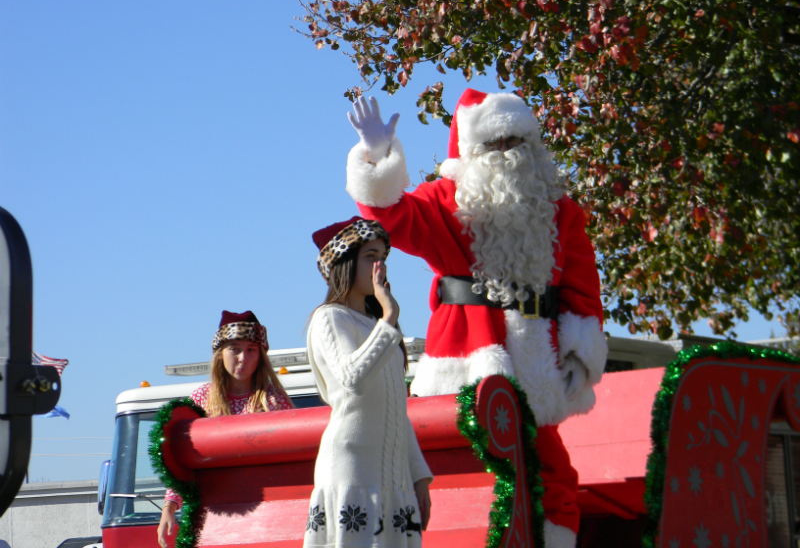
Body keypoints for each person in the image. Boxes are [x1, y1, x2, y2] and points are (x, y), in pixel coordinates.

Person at [343, 91, 608, 548]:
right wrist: (377, 156)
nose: (507, 154)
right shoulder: (447, 200)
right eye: (495, 144)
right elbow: (391, 215)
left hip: (537, 362)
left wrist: (580, 357)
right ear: (470, 151)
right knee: (466, 472)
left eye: (516, 141)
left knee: (554, 477)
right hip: (470, 358)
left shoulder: (560, 210)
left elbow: (583, 290)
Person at [304, 217, 432, 548]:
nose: (380, 266)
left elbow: (396, 407)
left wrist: (419, 477)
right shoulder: (328, 317)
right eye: (370, 256)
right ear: (343, 264)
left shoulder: (378, 325)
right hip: (352, 470)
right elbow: (351, 381)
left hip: (393, 476)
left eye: (384, 258)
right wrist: (389, 320)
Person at [157, 310, 293, 548]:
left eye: (251, 349)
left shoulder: (273, 400)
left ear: (261, 355)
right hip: (213, 518)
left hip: (266, 518)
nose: (242, 358)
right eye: (234, 349)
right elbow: (182, 460)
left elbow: (294, 457)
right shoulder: (201, 399)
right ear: (220, 354)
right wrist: (169, 506)